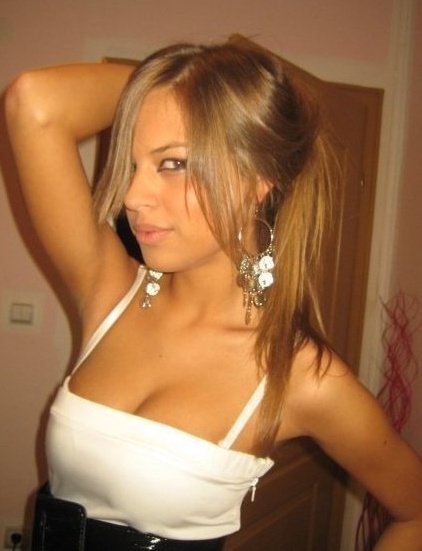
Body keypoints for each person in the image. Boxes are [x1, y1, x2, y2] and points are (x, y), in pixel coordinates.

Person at [5, 35, 422, 551]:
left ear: (258, 179)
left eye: (173, 163)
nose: (133, 197)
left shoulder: (299, 376)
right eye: (134, 166)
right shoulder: (110, 291)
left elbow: (414, 511)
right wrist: (174, 87)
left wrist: (224, 104)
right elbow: (34, 103)